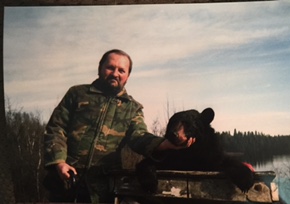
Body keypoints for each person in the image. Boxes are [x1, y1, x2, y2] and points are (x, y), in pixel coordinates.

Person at [43, 49, 195, 203]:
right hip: (66, 181)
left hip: (103, 189)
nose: (115, 73)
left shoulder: (132, 108)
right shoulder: (77, 94)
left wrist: (165, 144)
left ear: (127, 77)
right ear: (100, 68)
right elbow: (56, 128)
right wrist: (59, 162)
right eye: (110, 67)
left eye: (121, 70)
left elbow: (139, 137)